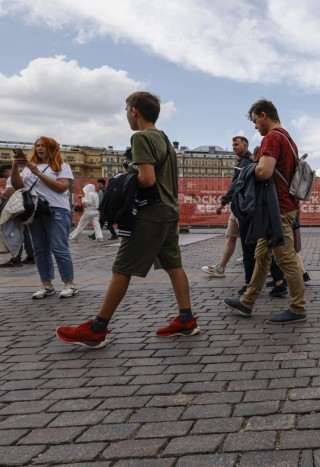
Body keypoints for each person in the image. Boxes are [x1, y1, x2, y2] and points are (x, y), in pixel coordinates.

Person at [55, 91, 200, 348]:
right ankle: (186, 320)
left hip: (149, 214)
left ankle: (97, 329)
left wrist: (126, 173)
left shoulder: (141, 138)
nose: (126, 115)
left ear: (134, 110)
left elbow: (147, 179)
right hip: (168, 212)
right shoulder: (164, 139)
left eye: (126, 110)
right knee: (173, 265)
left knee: (121, 269)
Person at [223, 99, 306, 324]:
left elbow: (264, 171)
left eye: (254, 121)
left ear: (263, 115)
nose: (255, 127)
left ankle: (298, 308)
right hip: (282, 206)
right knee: (261, 255)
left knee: (286, 259)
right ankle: (247, 301)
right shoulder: (288, 138)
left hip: (277, 209)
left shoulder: (272, 137)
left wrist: (248, 170)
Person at [10, 137, 77, 298]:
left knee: (59, 247)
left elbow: (61, 187)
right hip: (35, 211)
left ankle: (69, 284)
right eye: (38, 146)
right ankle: (47, 285)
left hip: (56, 210)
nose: (40, 149)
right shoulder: (28, 167)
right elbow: (18, 186)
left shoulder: (62, 166)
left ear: (52, 149)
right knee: (40, 249)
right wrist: (15, 167)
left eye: (44, 146)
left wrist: (38, 173)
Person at [201, 136, 254, 278]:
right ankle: (220, 268)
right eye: (232, 145)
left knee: (250, 242)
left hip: (242, 207)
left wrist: (222, 203)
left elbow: (235, 185)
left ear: (245, 145)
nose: (233, 147)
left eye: (236, 144)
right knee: (231, 236)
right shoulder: (241, 161)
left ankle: (265, 271)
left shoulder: (247, 162)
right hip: (237, 207)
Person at [0, 164, 35, 266]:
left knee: (15, 231)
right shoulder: (23, 176)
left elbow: (8, 193)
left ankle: (16, 258)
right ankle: (31, 256)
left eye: (3, 175)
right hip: (25, 207)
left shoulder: (12, 177)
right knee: (25, 232)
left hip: (16, 209)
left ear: (7, 171)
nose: (5, 177)